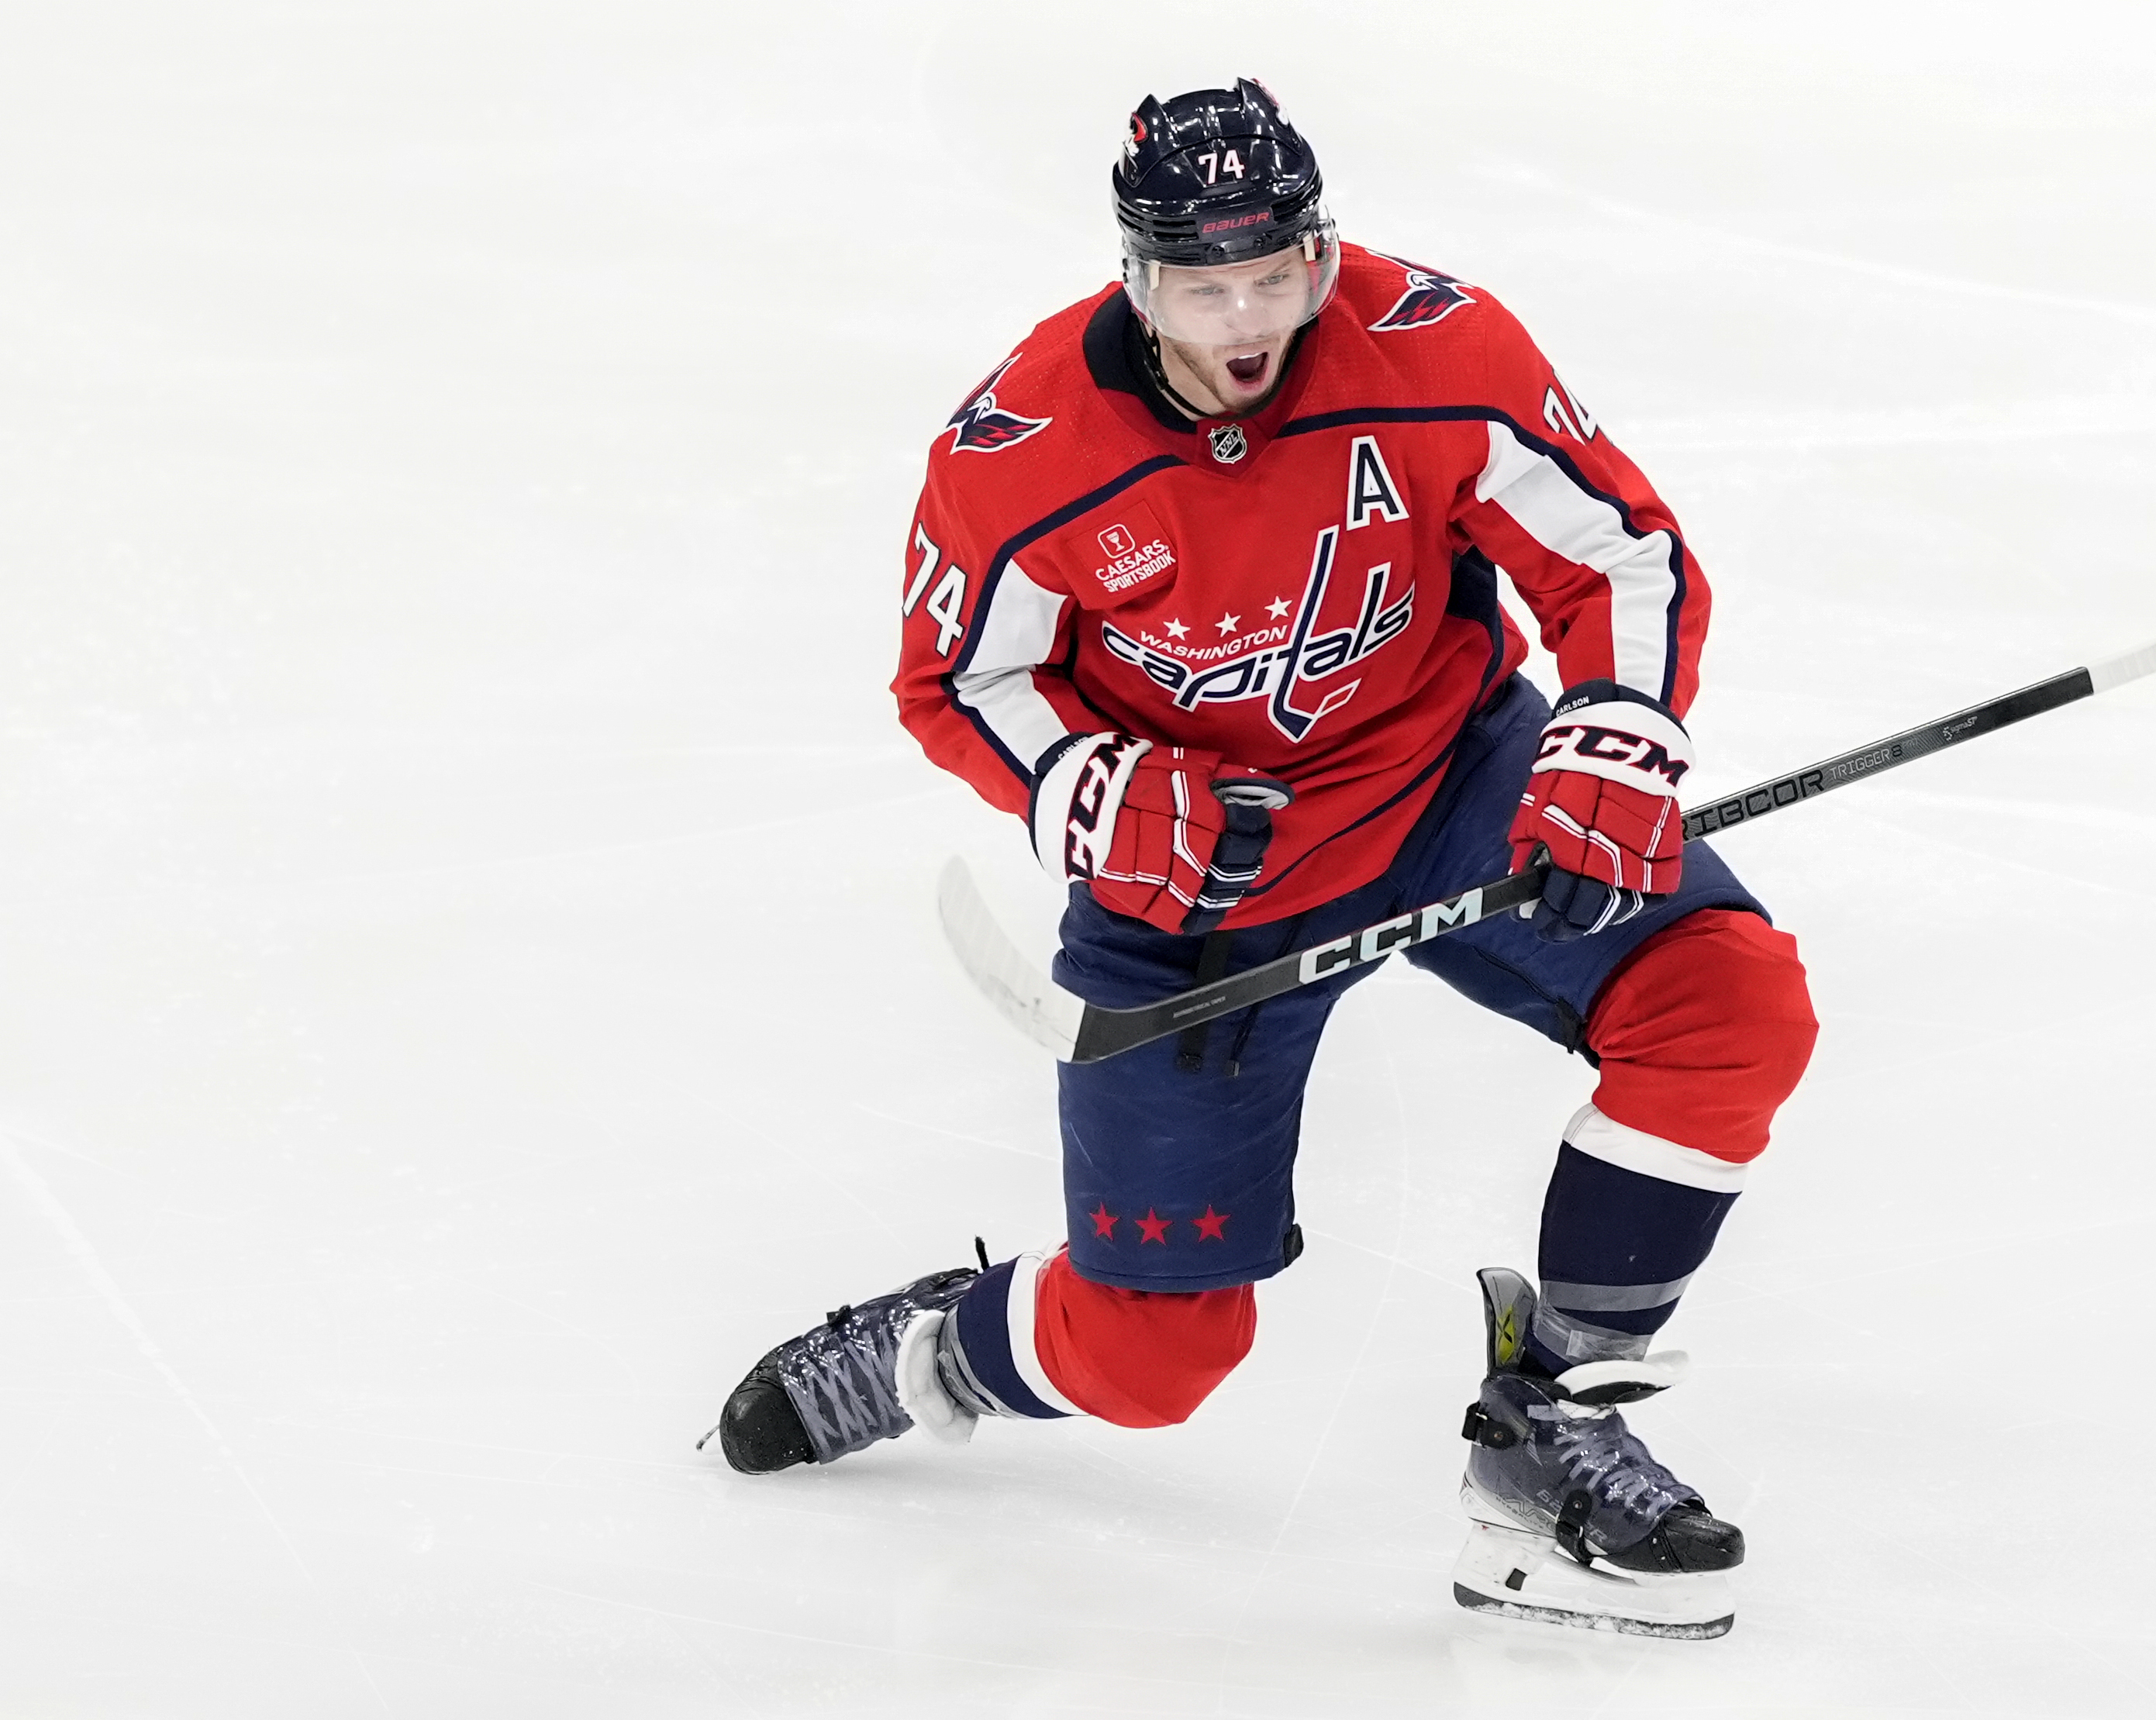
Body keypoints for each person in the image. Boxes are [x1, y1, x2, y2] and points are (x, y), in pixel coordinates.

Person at [710, 78, 1818, 1639]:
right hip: (1194, 894)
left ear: (1319, 253)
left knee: (1725, 1007)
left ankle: (1548, 1427)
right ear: (1134, 276)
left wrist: (1613, 731)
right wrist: (1086, 790)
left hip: (1441, 778)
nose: (1244, 320)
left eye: (1273, 276)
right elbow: (958, 680)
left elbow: (1613, 551)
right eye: (1200, 284)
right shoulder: (1020, 447)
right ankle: (941, 1351)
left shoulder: (1434, 351)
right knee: (1155, 1362)